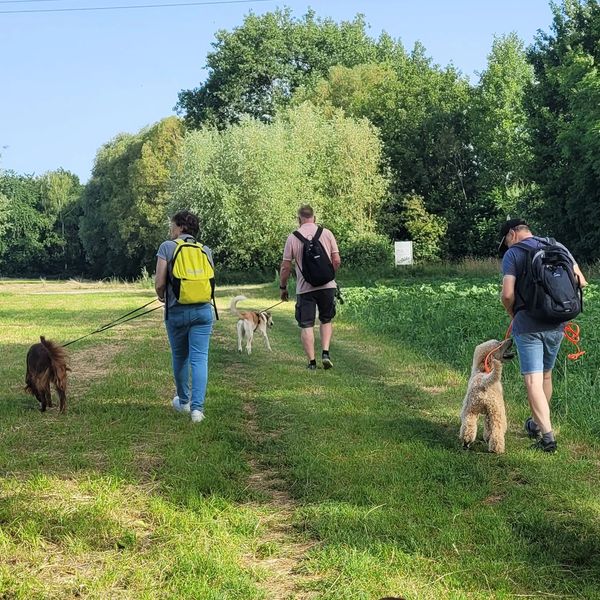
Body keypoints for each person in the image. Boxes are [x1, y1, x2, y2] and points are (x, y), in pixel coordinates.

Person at [499, 218, 587, 452]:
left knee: (532, 380)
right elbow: (581, 281)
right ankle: (537, 425)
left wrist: (512, 314)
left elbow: (508, 294)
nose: (506, 247)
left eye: (505, 242)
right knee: (546, 376)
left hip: (528, 324)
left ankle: (547, 438)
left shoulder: (513, 254)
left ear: (511, 234)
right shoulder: (557, 247)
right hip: (557, 321)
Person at [155, 210, 214, 423]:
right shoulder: (205, 250)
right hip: (203, 311)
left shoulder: (167, 247)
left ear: (180, 227)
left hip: (177, 311)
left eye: (172, 226)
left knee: (180, 357)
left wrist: (162, 297)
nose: (170, 230)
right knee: (200, 358)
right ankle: (197, 411)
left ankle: (184, 402)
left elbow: (160, 283)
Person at [279, 205, 341, 370]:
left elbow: (285, 267)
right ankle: (325, 353)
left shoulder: (293, 237)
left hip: (305, 288)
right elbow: (336, 260)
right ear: (314, 217)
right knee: (326, 319)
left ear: (299, 219)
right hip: (327, 286)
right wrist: (329, 275)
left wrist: (283, 287)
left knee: (306, 324)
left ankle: (312, 362)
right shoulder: (327, 233)